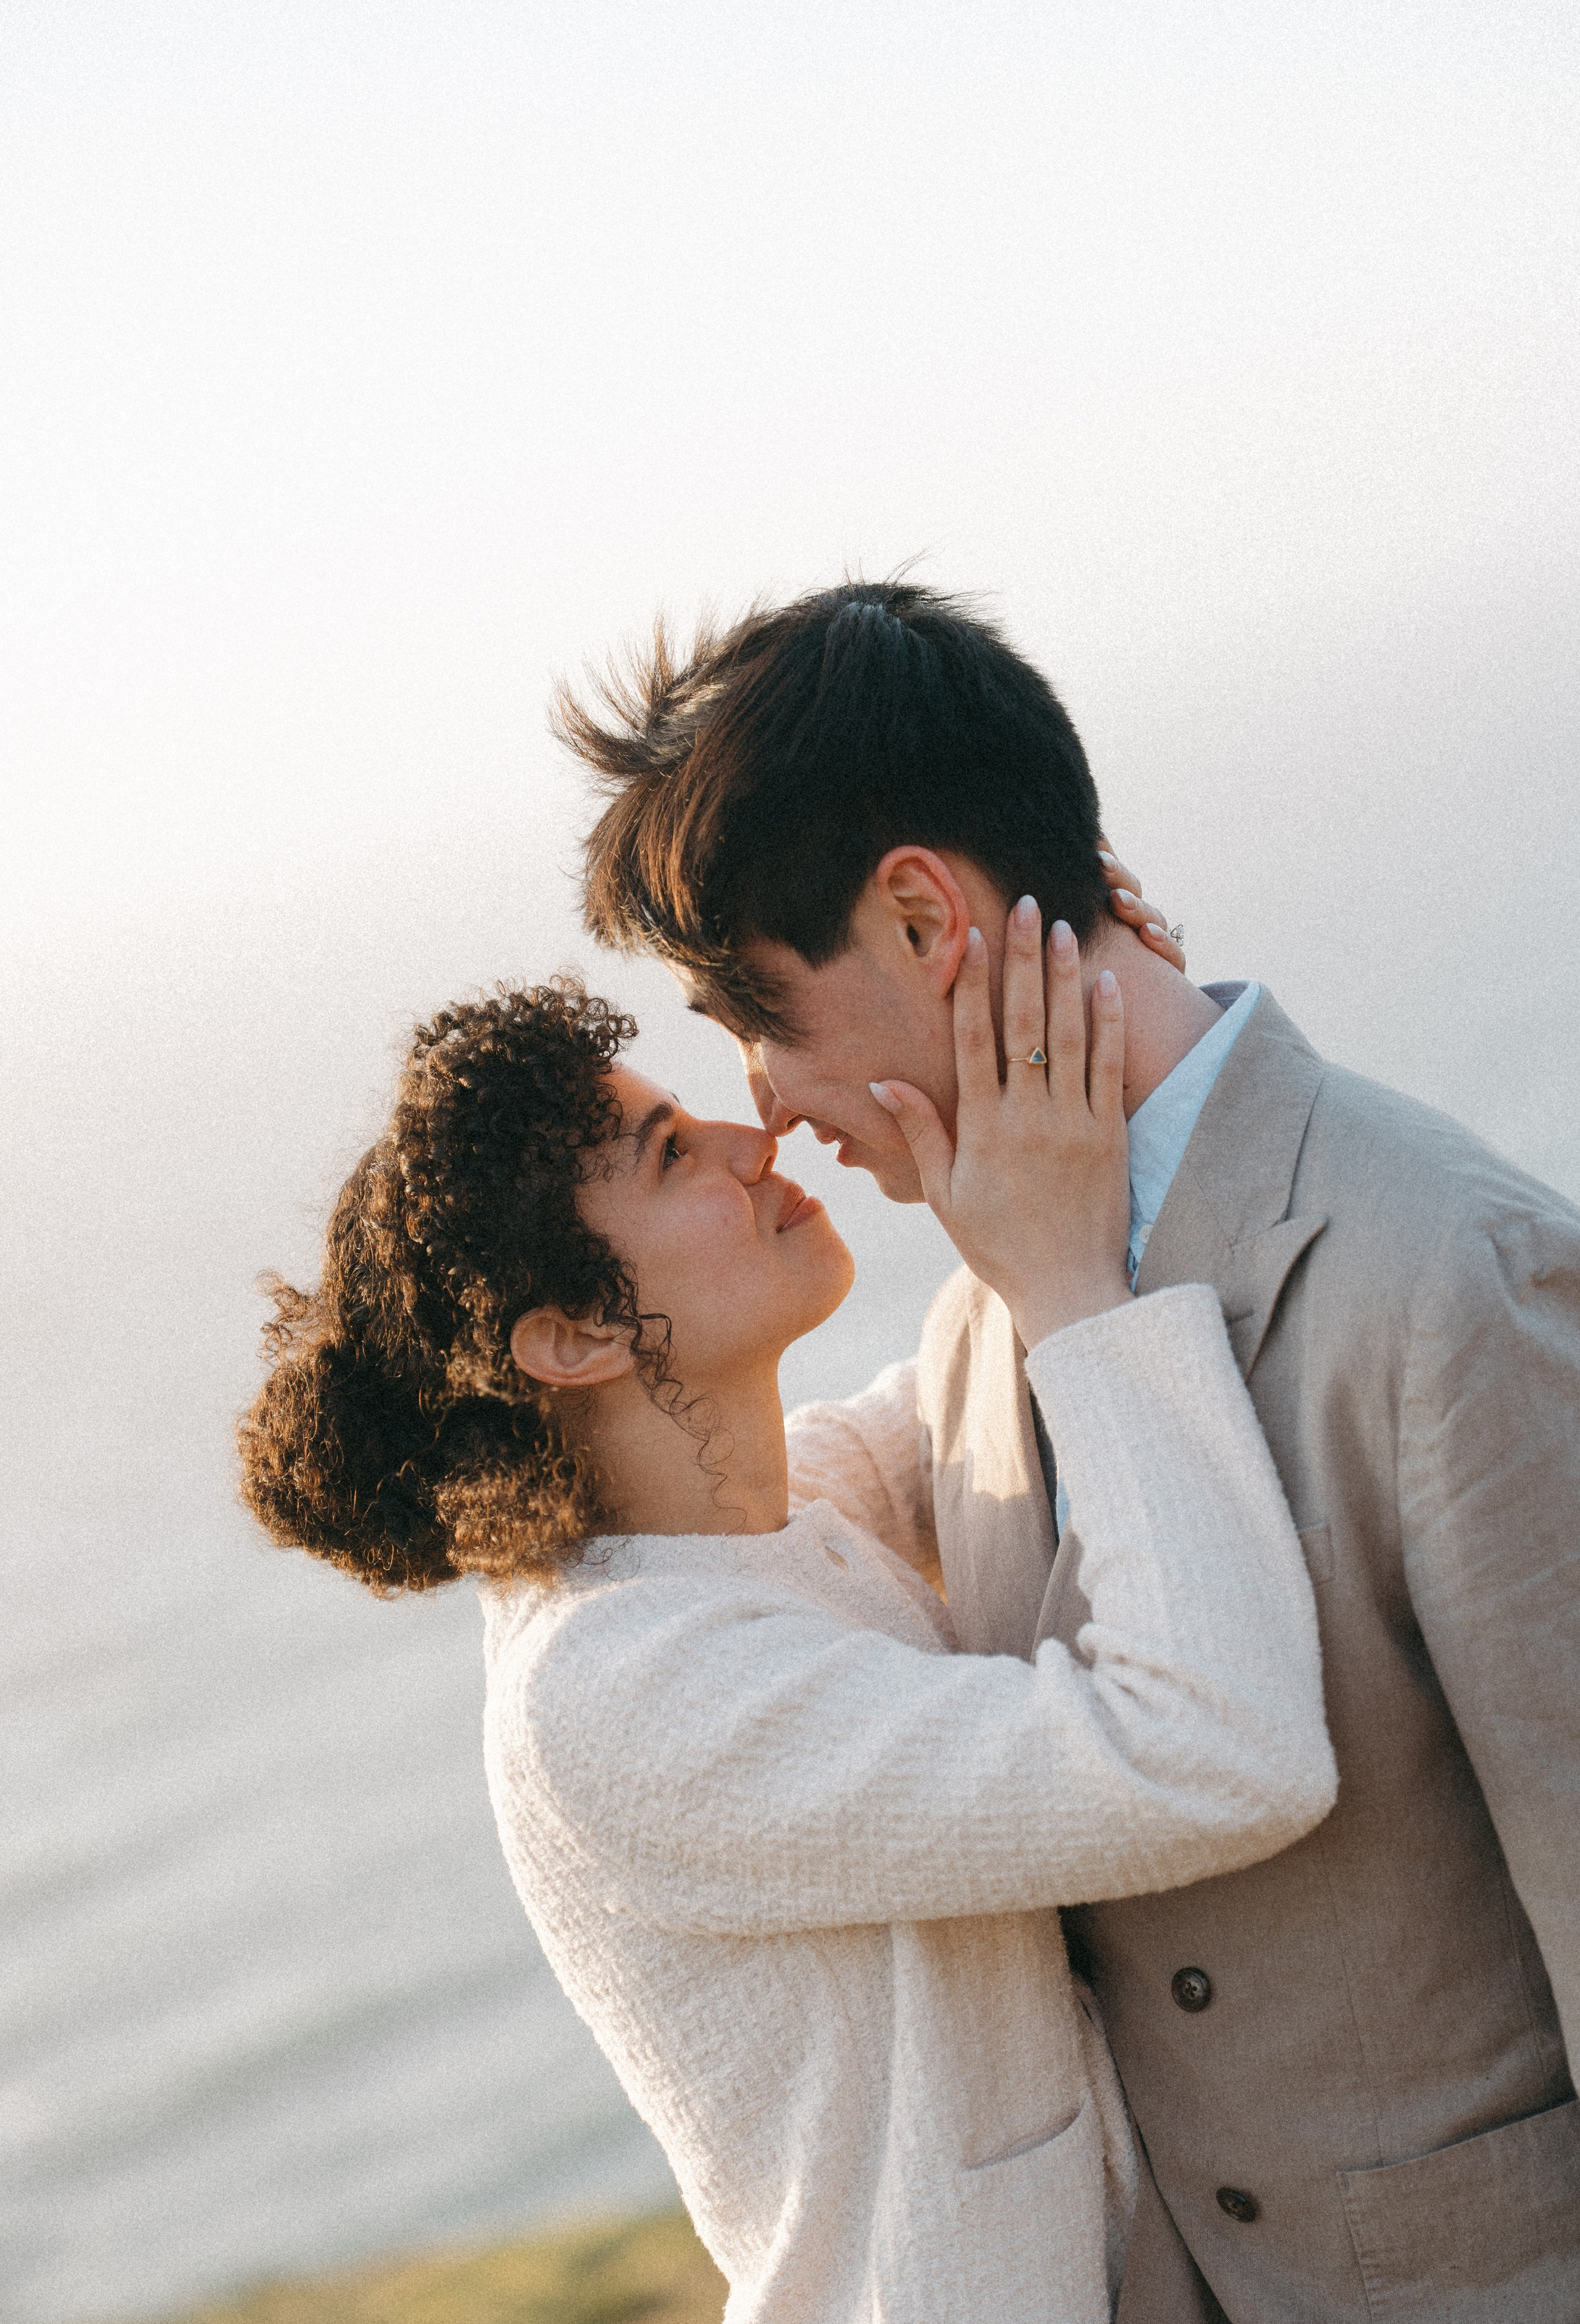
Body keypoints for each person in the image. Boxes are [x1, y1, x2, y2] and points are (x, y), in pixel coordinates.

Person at [562, 578, 1580, 2323]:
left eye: (757, 1013)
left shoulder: (1446, 1274)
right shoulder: (985, 1316)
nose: (764, 1101)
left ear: (919, 917)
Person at [237, 927, 1335, 2324]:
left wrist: (1076, 1011)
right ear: (570, 1338)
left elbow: (965, 1373)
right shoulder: (619, 1694)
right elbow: (1215, 1753)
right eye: (667, 1155)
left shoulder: (753, 1525)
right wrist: (1059, 1274)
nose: (749, 1136)